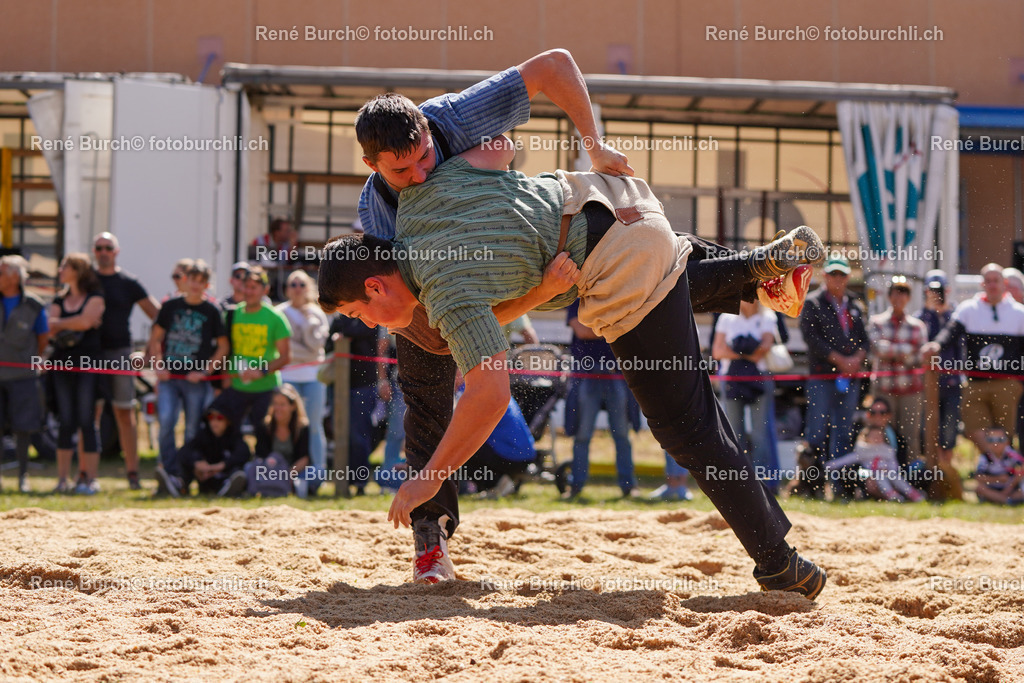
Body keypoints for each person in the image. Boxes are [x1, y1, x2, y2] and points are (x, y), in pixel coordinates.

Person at [350, 49, 811, 584]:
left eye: (427, 156)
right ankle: (430, 536)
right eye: (403, 170)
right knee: (426, 385)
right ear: (373, 167)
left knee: (640, 317)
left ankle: (780, 562)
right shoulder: (380, 218)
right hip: (570, 234)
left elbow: (554, 65)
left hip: (566, 249)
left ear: (431, 130)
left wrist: (594, 143)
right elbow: (414, 296)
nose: (422, 173)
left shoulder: (453, 117)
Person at [924, 263, 1024, 451]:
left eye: (996, 281)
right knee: (973, 430)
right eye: (988, 281)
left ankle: (997, 474)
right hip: (975, 383)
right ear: (982, 284)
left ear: (1004, 283)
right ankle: (994, 464)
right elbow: (949, 333)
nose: (992, 285)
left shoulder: (1019, 313)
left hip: (1007, 384)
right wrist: (935, 345)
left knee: (1004, 435)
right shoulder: (968, 309)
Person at [146, 259, 228, 484]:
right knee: (166, 421)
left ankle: (188, 474)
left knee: (193, 429)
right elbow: (155, 339)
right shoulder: (170, 306)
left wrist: (205, 371)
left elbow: (223, 346)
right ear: (185, 280)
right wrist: (158, 365)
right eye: (193, 279)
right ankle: (170, 472)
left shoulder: (211, 310)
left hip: (196, 382)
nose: (196, 285)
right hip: (170, 378)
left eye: (201, 281)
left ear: (207, 286)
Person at [92, 232, 160, 490]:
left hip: (121, 352)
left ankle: (132, 473)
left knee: (124, 412)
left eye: (108, 247)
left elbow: (158, 316)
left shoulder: (128, 282)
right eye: (99, 247)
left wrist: (149, 353)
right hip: (91, 354)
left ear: (116, 251)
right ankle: (89, 476)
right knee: (92, 414)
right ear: (94, 251)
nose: (103, 252)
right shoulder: (88, 280)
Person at [799, 257, 869, 470]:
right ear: (825, 276)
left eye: (842, 275)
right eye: (833, 274)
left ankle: (841, 485)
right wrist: (840, 361)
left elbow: (865, 338)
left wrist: (856, 359)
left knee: (844, 431)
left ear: (848, 277)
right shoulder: (813, 302)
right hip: (823, 375)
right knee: (816, 431)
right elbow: (811, 337)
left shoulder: (855, 304)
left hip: (849, 378)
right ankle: (812, 483)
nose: (837, 279)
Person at [564, 299, 637, 499]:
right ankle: (576, 485)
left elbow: (592, 330)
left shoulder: (615, 295)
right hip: (588, 374)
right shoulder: (578, 299)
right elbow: (582, 331)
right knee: (583, 434)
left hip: (614, 373)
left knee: (621, 434)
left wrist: (601, 326)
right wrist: (614, 326)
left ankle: (628, 486)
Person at [47, 253, 105, 494]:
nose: (60, 270)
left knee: (86, 420)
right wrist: (77, 322)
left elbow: (84, 322)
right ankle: (62, 480)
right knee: (66, 421)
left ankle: (89, 480)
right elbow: (49, 326)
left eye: (65, 266)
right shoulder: (59, 298)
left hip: (87, 364)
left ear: (78, 271)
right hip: (61, 364)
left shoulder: (95, 297)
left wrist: (63, 323)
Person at [712, 299, 781, 493]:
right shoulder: (727, 317)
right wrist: (748, 350)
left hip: (759, 379)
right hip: (732, 381)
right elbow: (717, 351)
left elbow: (764, 349)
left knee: (760, 435)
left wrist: (735, 349)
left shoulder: (767, 316)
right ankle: (738, 485)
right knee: (734, 435)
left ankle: (763, 485)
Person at [212, 266, 292, 429]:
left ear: (265, 290)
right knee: (228, 431)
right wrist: (224, 374)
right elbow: (224, 348)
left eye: (253, 288)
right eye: (246, 287)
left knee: (264, 435)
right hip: (236, 386)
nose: (248, 291)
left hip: (266, 388)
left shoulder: (275, 317)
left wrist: (261, 371)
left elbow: (285, 357)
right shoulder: (231, 314)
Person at [867, 275, 928, 468]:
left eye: (903, 294)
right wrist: (905, 350)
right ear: (889, 296)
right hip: (884, 389)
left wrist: (891, 351)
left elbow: (920, 358)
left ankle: (910, 477)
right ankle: (884, 473)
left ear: (908, 298)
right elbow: (877, 349)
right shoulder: (877, 322)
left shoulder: (917, 326)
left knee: (911, 435)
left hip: (911, 389)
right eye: (895, 293)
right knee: (884, 433)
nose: (898, 298)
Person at [0, 255, 49, 493]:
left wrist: (29, 361)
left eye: (1, 272)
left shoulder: (33, 305)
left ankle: (22, 476)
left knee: (23, 427)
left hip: (22, 376)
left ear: (14, 278)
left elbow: (43, 338)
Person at [276, 269, 329, 481]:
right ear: (287, 289)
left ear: (308, 287)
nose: (297, 289)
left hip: (313, 375)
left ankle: (318, 472)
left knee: (314, 424)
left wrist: (307, 323)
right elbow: (280, 348)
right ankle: (284, 473)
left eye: (301, 284)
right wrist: (296, 352)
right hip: (288, 375)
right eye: (293, 284)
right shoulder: (279, 312)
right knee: (288, 425)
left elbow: (316, 346)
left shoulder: (317, 313)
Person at [324, 311, 382, 495]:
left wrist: (343, 335)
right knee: (340, 432)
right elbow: (327, 346)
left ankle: (360, 482)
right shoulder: (340, 318)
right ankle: (342, 481)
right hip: (339, 384)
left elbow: (361, 331)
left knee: (359, 435)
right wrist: (337, 338)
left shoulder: (371, 315)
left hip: (363, 385)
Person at [916, 270, 963, 468]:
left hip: (952, 383)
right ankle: (931, 471)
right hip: (927, 383)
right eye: (932, 291)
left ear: (948, 290)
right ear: (926, 291)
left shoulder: (957, 317)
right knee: (927, 429)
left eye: (940, 291)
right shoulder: (920, 319)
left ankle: (946, 472)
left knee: (950, 429)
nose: (936, 295)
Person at [156, 405, 251, 498]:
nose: (214, 421)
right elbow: (184, 451)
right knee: (186, 459)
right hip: (205, 477)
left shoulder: (234, 436)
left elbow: (244, 454)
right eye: (211, 417)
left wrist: (221, 466)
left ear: (228, 420)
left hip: (223, 475)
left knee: (238, 470)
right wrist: (197, 464)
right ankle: (178, 484)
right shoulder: (204, 434)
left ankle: (228, 486)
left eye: (219, 417)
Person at [825, 426, 924, 503]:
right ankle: (891, 495)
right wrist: (830, 465)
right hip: (871, 475)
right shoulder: (863, 451)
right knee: (879, 476)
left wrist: (889, 469)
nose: (877, 439)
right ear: (866, 438)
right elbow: (846, 460)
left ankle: (912, 493)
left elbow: (895, 465)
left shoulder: (887, 451)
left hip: (889, 473)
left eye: (879, 436)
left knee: (897, 478)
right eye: (873, 436)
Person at [251, 383, 316, 498]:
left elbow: (304, 458)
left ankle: (291, 486)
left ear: (293, 406)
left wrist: (288, 475)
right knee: (249, 468)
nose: (278, 408)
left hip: (294, 472)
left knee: (317, 473)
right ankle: (285, 487)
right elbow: (260, 455)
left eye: (282, 404)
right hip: (270, 470)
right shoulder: (265, 426)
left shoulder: (302, 427)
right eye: (275, 404)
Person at [973, 426, 1024, 505]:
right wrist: (997, 479)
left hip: (1010, 488)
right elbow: (978, 477)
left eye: (1000, 440)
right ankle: (1008, 501)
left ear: (1007, 442)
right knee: (979, 488)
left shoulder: (1012, 454)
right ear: (986, 442)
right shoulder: (985, 457)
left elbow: (1022, 470)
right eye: (991, 440)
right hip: (993, 488)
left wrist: (1009, 487)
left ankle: (1001, 499)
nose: (995, 444)